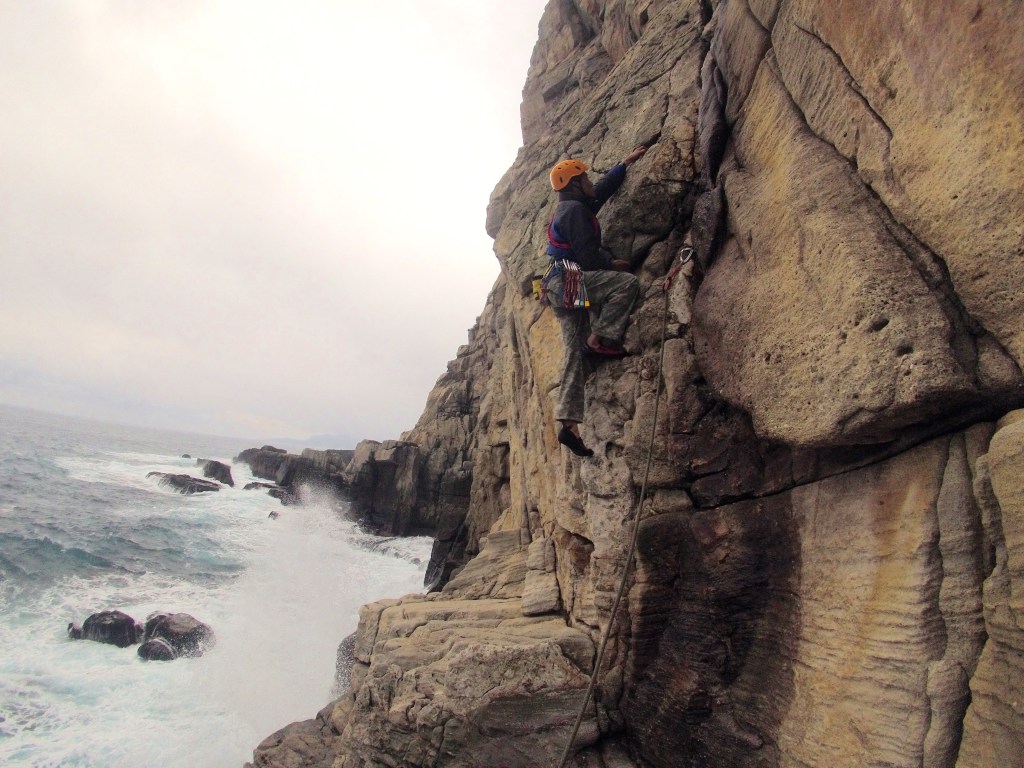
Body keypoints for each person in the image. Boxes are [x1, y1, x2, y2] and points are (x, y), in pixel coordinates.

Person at [544, 145, 647, 458]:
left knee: (574, 356)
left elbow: (599, 193)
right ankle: (600, 337)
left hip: (558, 284)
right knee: (625, 285)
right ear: (575, 183)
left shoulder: (573, 204)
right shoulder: (574, 211)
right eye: (585, 176)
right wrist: (610, 262)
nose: (590, 179)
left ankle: (568, 424)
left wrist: (623, 165)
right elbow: (588, 255)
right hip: (570, 279)